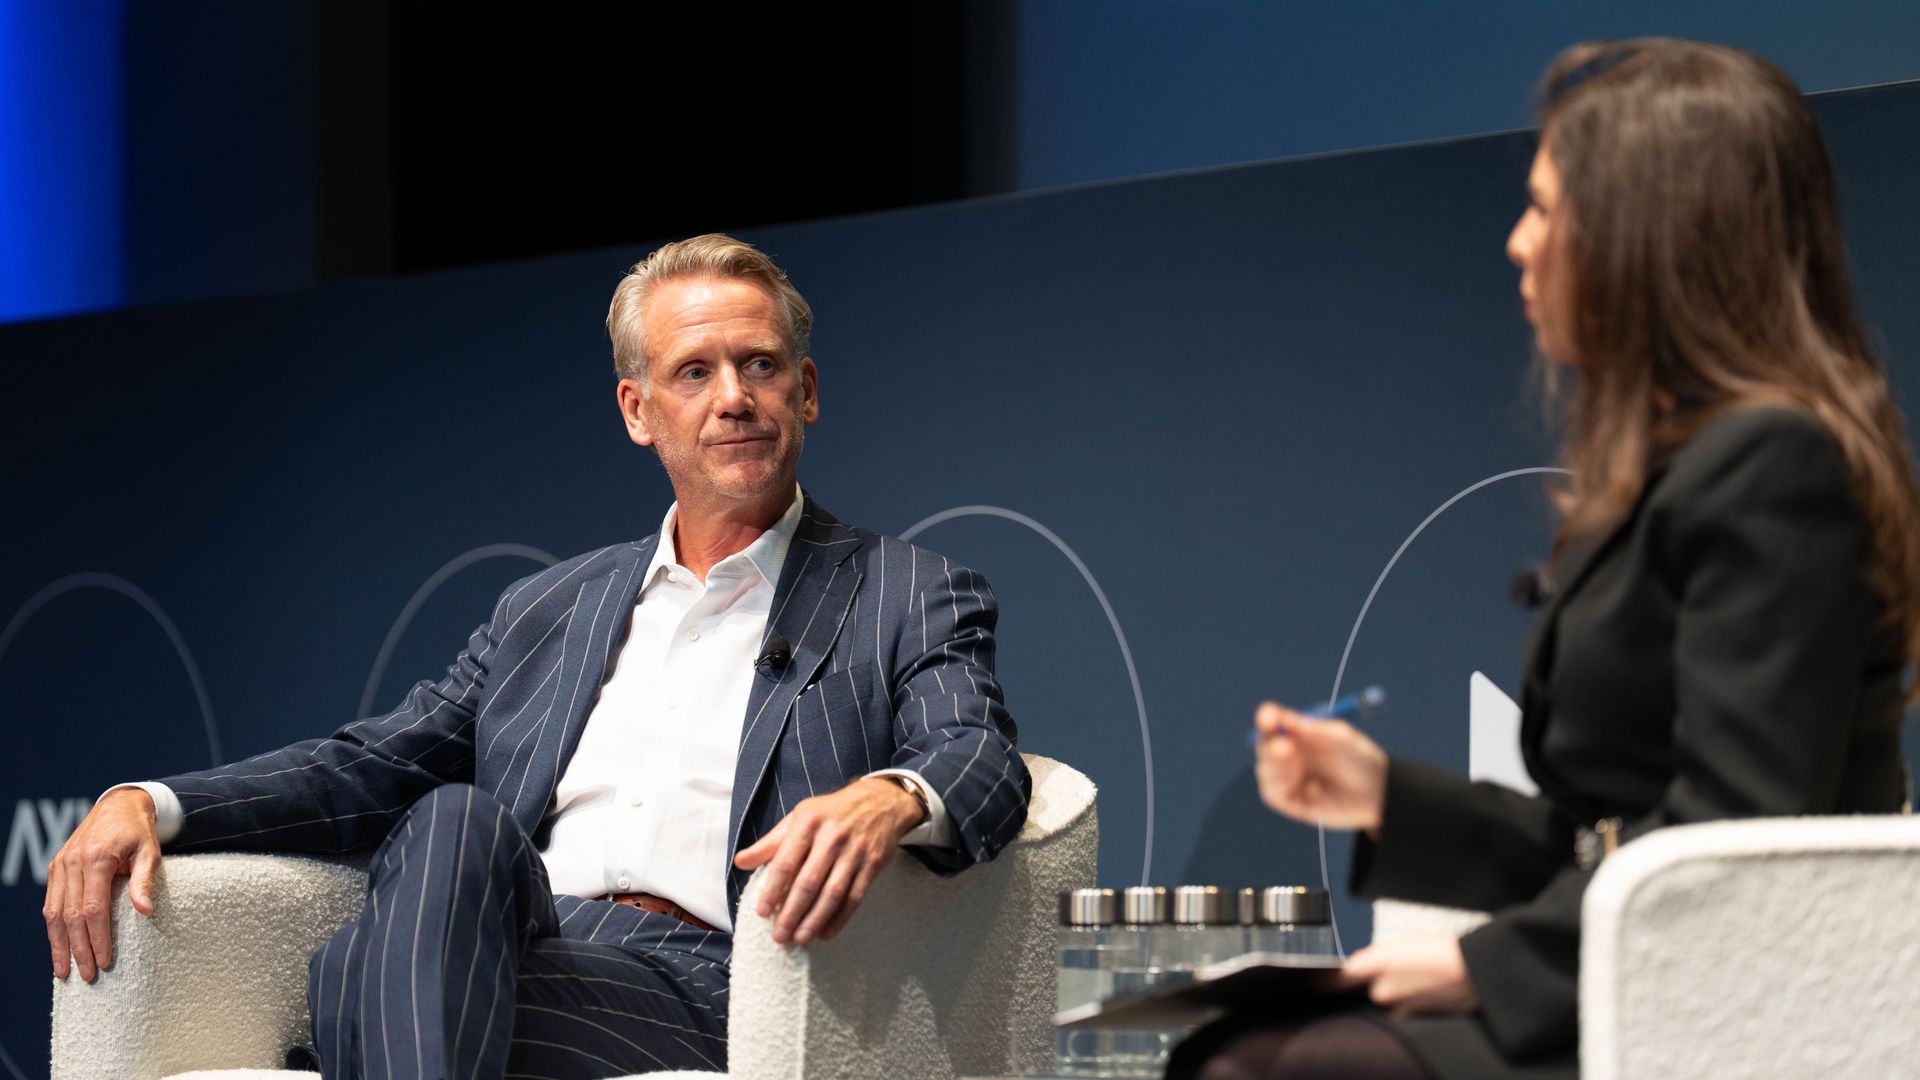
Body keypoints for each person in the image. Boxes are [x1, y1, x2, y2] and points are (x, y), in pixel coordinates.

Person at [43, 233, 1031, 1078]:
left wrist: (891, 795)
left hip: (710, 980)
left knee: (373, 992)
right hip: (511, 934)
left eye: (760, 365)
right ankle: (390, 1002)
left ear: (805, 392)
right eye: (695, 372)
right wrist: (157, 803)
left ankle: (375, 1008)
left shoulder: (907, 590)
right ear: (639, 412)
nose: (734, 397)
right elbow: (371, 763)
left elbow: (979, 755)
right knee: (454, 825)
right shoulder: (548, 608)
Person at [1174, 39, 1920, 1080]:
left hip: (1729, 1013)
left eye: (1545, 209)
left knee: (1258, 1069)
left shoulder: (1775, 467)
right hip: (1641, 973)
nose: (1519, 243)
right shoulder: (1690, 465)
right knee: (1230, 1049)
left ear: (1644, 236)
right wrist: (1388, 795)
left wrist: (1482, 965)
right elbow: (1605, 846)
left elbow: (1732, 845)